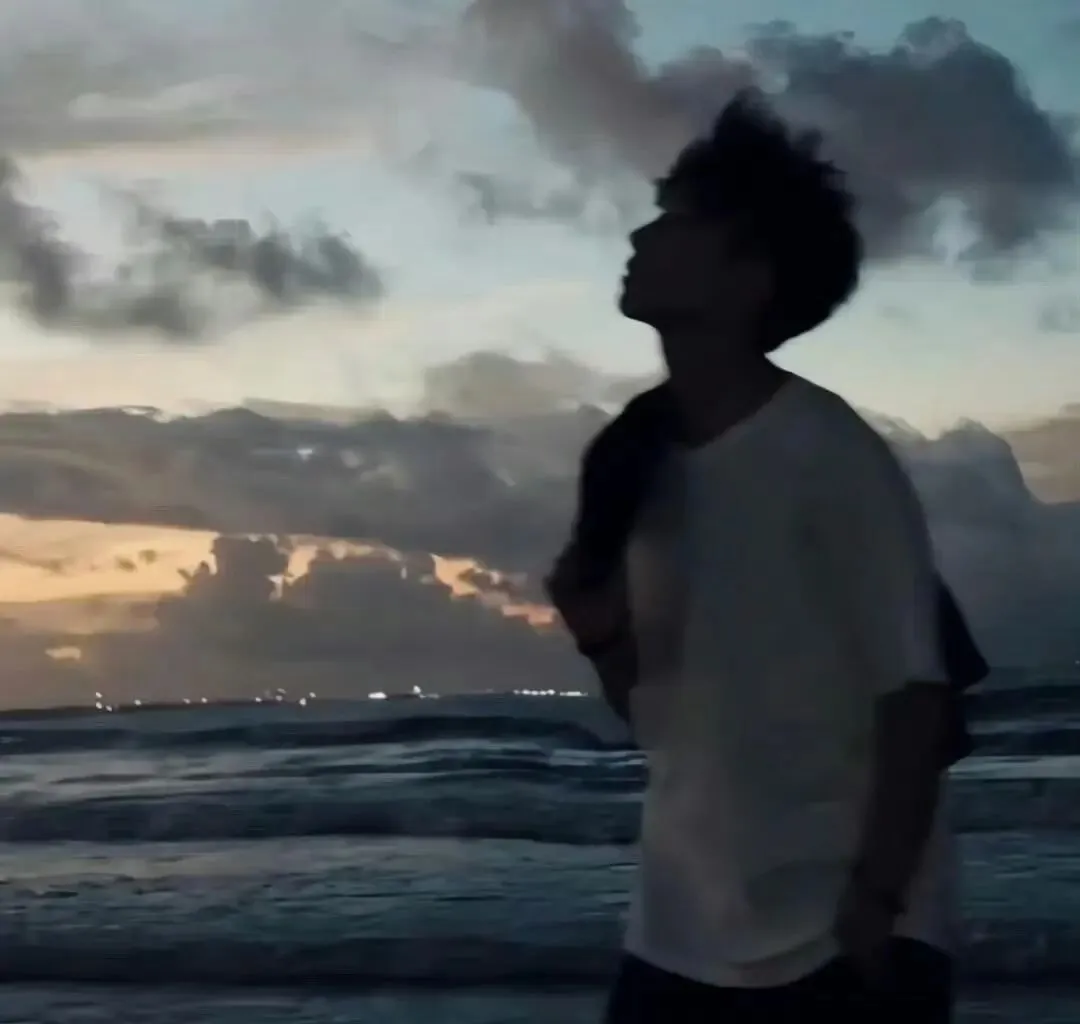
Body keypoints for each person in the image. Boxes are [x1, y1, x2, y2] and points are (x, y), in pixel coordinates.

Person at [546, 92, 961, 1023]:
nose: (642, 235)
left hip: (841, 932)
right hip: (679, 929)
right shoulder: (632, 459)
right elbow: (662, 718)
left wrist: (875, 906)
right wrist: (600, 637)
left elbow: (916, 703)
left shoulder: (827, 451)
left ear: (750, 277)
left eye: (677, 220)